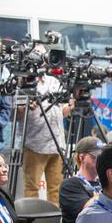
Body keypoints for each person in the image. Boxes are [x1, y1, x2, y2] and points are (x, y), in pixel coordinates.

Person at [19, 73, 70, 201]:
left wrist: (73, 104)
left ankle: (56, 219)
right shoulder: (22, 81)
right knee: (31, 188)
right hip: (35, 144)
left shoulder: (53, 81)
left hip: (57, 145)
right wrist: (25, 105)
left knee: (57, 189)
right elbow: (14, 113)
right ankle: (33, 220)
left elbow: (63, 111)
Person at [59, 136, 104, 223]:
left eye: (102, 158)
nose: (100, 161)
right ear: (81, 157)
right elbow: (89, 212)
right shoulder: (70, 185)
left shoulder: (103, 183)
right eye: (95, 157)